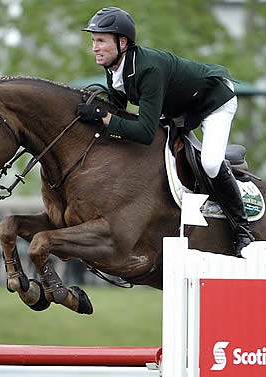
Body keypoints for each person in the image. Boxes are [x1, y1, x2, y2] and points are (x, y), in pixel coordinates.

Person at [77, 7, 254, 257]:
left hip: (214, 101)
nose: (95, 47)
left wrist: (103, 118)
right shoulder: (115, 68)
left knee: (211, 163)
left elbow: (145, 132)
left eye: (101, 40)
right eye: (94, 40)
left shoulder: (148, 69)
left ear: (122, 42)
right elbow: (120, 109)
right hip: (180, 107)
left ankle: (243, 231)